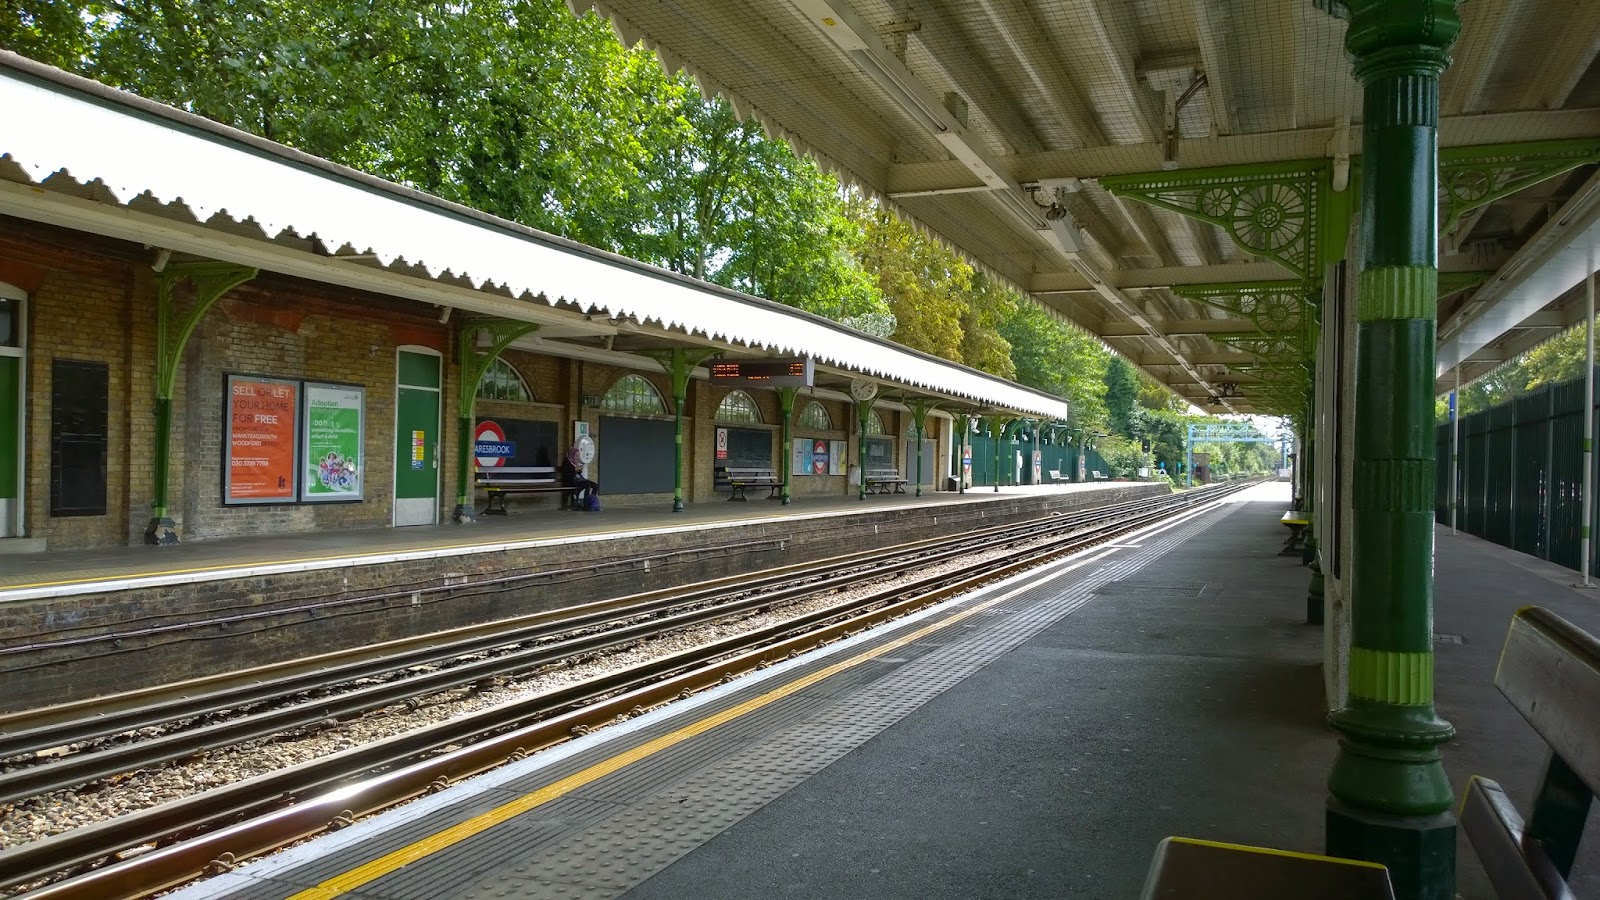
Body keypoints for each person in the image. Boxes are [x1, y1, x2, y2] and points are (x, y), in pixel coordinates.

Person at [560, 444, 598, 510]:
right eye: (576, 456)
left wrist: (579, 470)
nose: (577, 457)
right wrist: (575, 469)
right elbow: (566, 473)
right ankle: (585, 505)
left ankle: (591, 500)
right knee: (587, 485)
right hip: (571, 481)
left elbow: (578, 473)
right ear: (572, 455)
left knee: (595, 485)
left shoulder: (575, 462)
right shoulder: (567, 461)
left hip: (579, 479)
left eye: (578, 456)